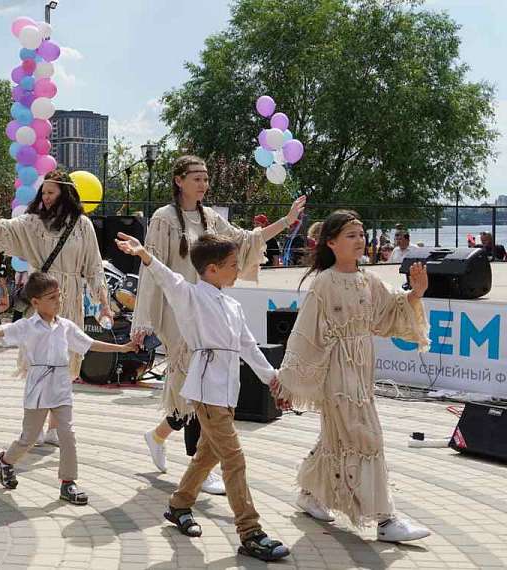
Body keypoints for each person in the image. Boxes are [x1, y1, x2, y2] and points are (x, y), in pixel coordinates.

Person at [132, 155, 306, 495]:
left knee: (194, 389)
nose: (203, 183)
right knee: (196, 388)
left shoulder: (211, 218)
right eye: (196, 177)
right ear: (179, 180)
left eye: (206, 177)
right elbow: (150, 268)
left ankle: (158, 436)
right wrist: (143, 319)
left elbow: (245, 240)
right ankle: (201, 465)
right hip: (179, 311)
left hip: (207, 311)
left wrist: (286, 221)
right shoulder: (163, 219)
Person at [116, 231, 291, 562]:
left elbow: (249, 347)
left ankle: (179, 504)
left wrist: (273, 380)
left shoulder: (233, 304)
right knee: (234, 458)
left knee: (207, 456)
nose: (237, 270)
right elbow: (167, 279)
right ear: (211, 269)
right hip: (206, 387)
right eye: (232, 265)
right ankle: (250, 531)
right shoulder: (190, 295)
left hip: (228, 390)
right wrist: (144, 255)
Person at [273, 210, 432, 543]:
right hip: (337, 373)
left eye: (361, 234)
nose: (359, 240)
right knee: (366, 437)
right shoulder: (324, 283)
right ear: (331, 243)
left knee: (338, 437)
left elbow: (390, 313)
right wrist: (289, 379)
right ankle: (385, 519)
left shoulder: (367, 279)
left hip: (361, 370)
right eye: (350, 235)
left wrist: (416, 293)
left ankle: (310, 493)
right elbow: (306, 335)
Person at [0, 169, 113, 446]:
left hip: (68, 298)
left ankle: (52, 428)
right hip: (41, 297)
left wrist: (104, 304)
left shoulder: (82, 225)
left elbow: (94, 267)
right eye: (44, 192)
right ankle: (35, 424)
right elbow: (1, 228)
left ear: (65, 193)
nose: (46, 197)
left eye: (51, 192)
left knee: (62, 364)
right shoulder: (33, 222)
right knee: (39, 364)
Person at [0, 272, 136, 505]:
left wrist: (123, 348)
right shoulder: (28, 326)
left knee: (68, 435)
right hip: (38, 387)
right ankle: (5, 461)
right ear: (36, 302)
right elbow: (1, 330)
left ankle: (68, 483)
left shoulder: (67, 326)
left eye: (59, 296)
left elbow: (89, 344)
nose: (58, 301)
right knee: (28, 439)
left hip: (61, 386)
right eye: (52, 297)